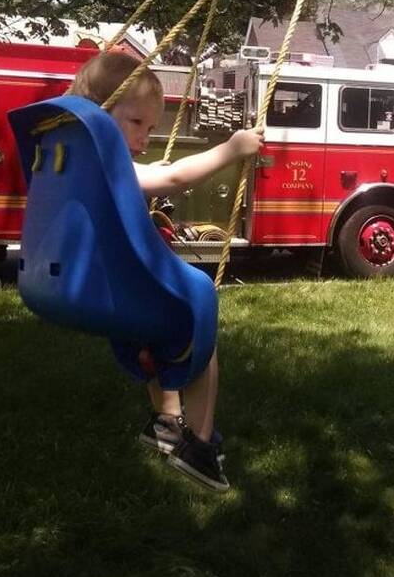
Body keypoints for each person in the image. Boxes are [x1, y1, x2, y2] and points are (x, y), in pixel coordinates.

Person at [69, 50, 261, 492]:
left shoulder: (76, 156)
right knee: (199, 335)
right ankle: (200, 446)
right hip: (127, 287)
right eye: (136, 123)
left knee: (155, 344)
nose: (143, 137)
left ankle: (167, 425)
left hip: (98, 287)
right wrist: (232, 148)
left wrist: (148, 169)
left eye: (152, 128)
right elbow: (175, 178)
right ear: (99, 114)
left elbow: (142, 176)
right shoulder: (106, 161)